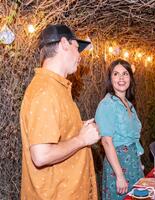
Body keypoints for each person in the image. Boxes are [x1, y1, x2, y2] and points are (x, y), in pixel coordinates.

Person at [20, 24, 101, 199]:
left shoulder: (57, 88)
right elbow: (41, 155)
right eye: (77, 48)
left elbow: (57, 133)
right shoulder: (45, 91)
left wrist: (78, 128)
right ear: (64, 43)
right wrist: (82, 139)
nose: (79, 56)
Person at [95, 59, 144, 200]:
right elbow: (106, 142)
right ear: (110, 79)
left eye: (125, 74)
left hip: (133, 163)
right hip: (117, 166)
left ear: (130, 78)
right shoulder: (107, 104)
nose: (121, 78)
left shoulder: (129, 104)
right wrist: (120, 175)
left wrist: (139, 162)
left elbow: (134, 139)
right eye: (116, 74)